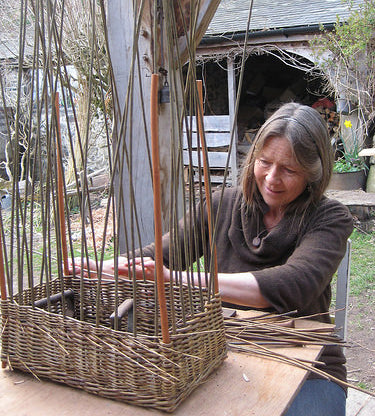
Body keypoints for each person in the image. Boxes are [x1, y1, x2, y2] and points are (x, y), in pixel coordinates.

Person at [69, 102, 353, 415]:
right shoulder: (223, 204)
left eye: (289, 170)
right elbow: (164, 254)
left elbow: (294, 284)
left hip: (308, 369)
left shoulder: (329, 218)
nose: (272, 178)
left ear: (312, 174)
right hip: (231, 358)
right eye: (265, 162)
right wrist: (102, 267)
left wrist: (179, 279)